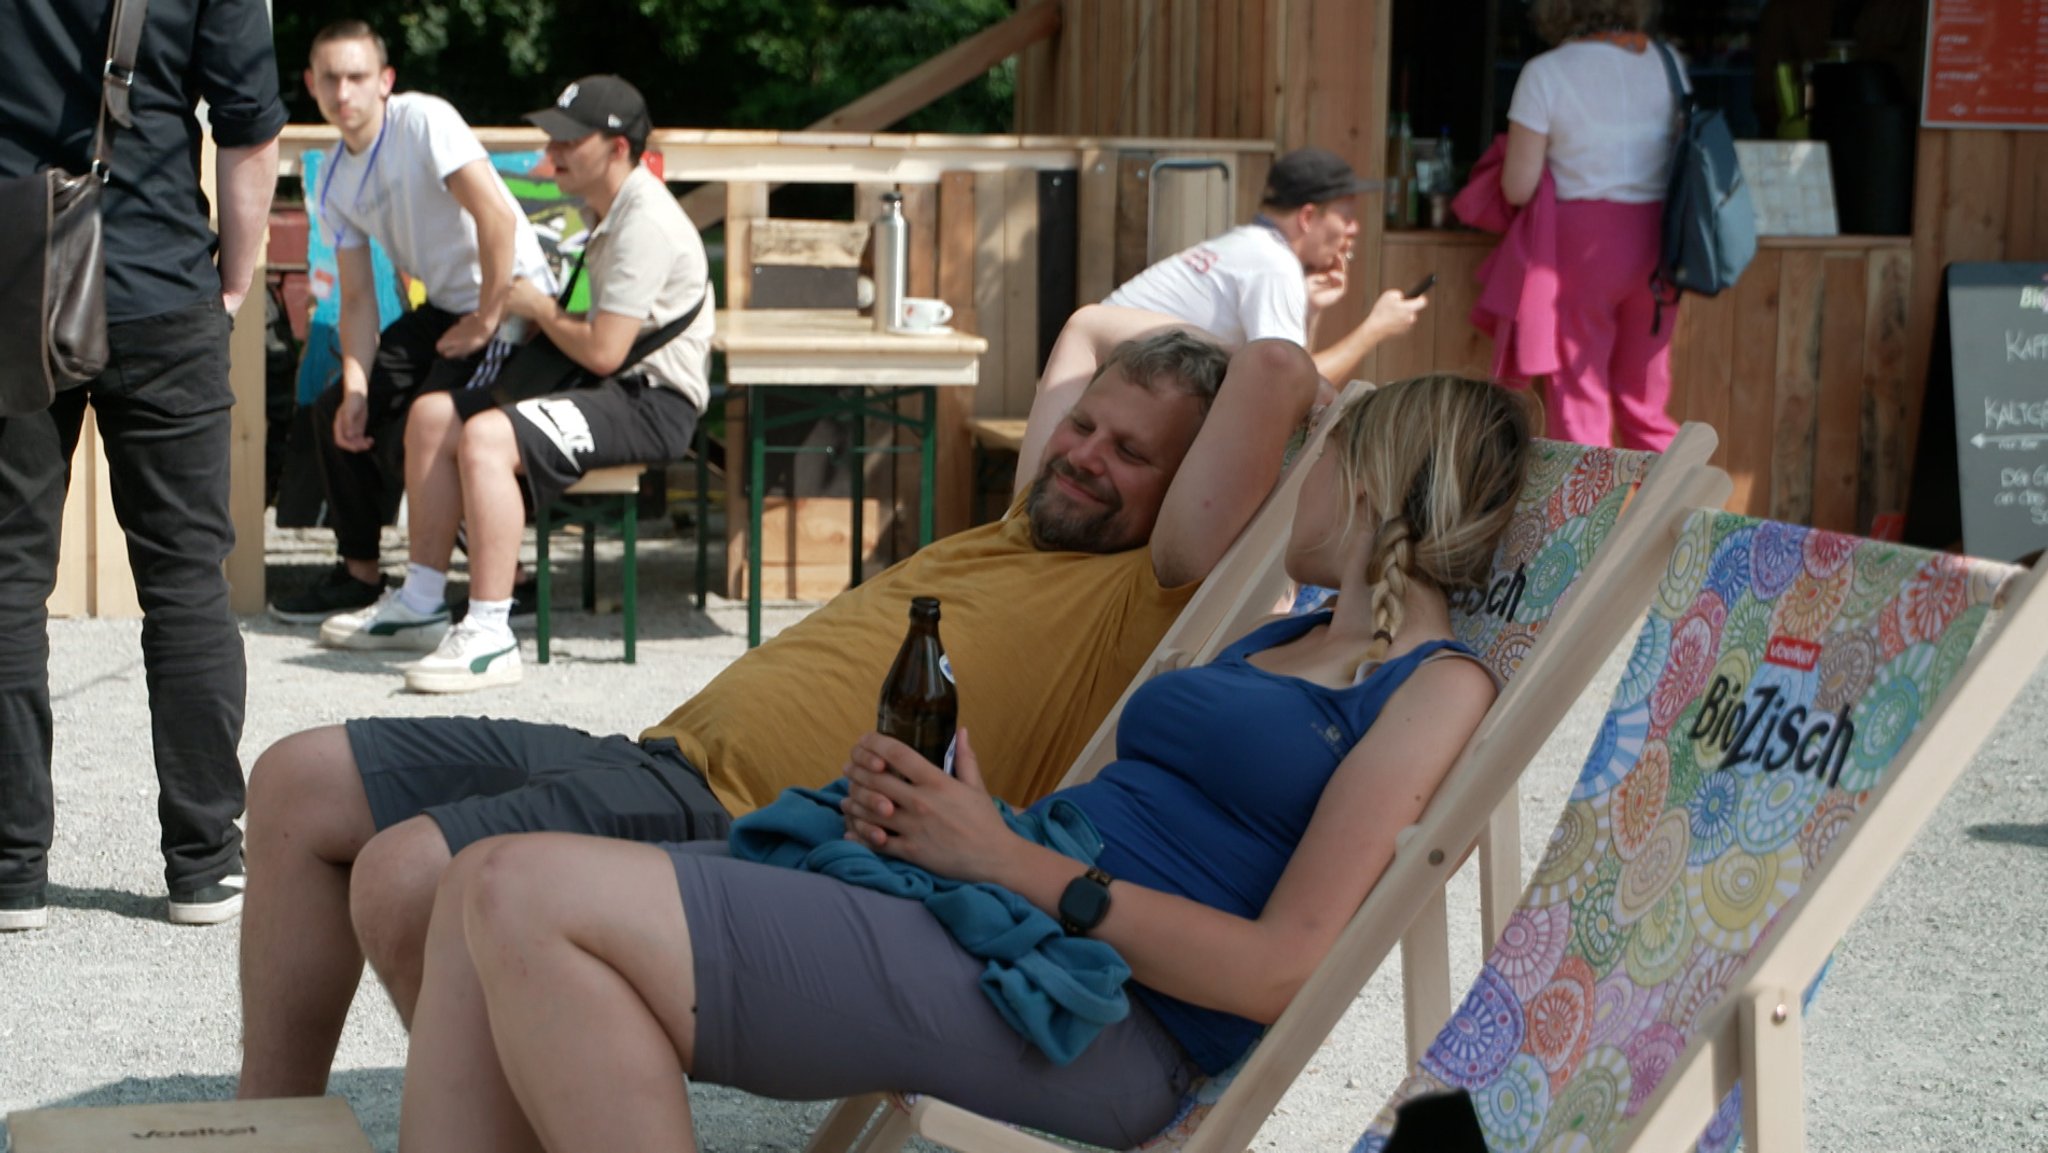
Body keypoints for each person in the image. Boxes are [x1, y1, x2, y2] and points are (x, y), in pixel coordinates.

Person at [394, 373, 1536, 1151]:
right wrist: (972, 815)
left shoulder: (1433, 685)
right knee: (473, 888)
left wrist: (1004, 857)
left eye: (1321, 457)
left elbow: (1277, 971)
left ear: (1369, 483)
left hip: (1089, 1013)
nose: (1303, 481)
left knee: (518, 890)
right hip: (995, 908)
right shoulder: (1284, 635)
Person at [236, 316, 1319, 1098]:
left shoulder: (1148, 584)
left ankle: (515, 1118)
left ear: (1185, 488)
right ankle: (270, 1128)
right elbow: (1087, 327)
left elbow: (1273, 366)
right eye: (1085, 427)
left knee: (407, 872)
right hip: (657, 755)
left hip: (750, 811)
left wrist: (1257, 390)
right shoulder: (1026, 520)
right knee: (298, 774)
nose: (1084, 456)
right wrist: (1139, 382)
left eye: (1132, 453)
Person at [0, 0, 285, 930]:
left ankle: (11, 873)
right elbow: (247, 132)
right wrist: (234, 285)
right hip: (163, 282)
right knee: (186, 581)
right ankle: (204, 866)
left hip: (13, 280)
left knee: (5, 582)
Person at [321, 75, 714, 694]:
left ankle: (489, 632)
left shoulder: (645, 221)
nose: (547, 154)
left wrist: (535, 306)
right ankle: (421, 602)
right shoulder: (610, 208)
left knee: (485, 439)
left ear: (616, 150)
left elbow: (608, 353)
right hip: (612, 387)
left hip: (650, 404)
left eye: (566, 142)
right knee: (430, 417)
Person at [267, 20, 557, 626]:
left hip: (512, 303)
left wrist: (485, 318)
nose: (343, 92)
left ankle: (511, 584)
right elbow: (357, 302)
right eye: (330, 79)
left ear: (385, 82)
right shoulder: (334, 179)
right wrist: (355, 387)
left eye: (357, 77)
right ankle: (360, 574)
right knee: (338, 413)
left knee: (428, 425)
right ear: (311, 85)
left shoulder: (422, 121)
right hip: (448, 308)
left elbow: (497, 221)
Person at [1012, 148, 1425, 485]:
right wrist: (1374, 330)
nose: (1354, 229)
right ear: (1307, 217)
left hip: (1089, 403)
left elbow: (1292, 377)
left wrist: (1310, 309)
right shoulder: (1273, 265)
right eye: (1346, 216)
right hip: (1114, 419)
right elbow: (1292, 393)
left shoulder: (1248, 245)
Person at [1500, 0, 1681, 450]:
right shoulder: (1667, 61)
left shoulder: (1544, 72)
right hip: (1664, 242)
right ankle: (1677, 515)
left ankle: (1594, 520)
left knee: (1581, 403)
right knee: (1646, 404)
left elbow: (1517, 188)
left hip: (1582, 245)